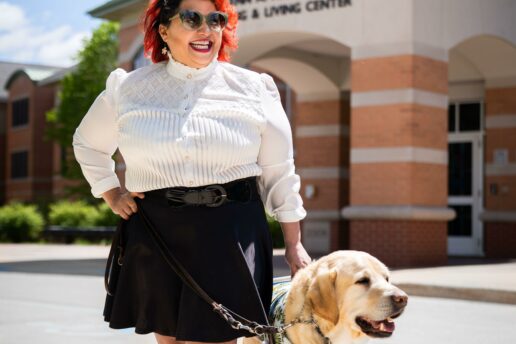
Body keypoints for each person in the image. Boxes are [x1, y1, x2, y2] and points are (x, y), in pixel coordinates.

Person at [72, 0, 311, 343]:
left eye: (216, 19)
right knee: (168, 339)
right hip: (156, 229)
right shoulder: (127, 88)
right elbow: (87, 143)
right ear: (164, 30)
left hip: (230, 231)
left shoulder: (254, 88)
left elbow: (279, 169)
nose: (206, 28)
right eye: (191, 18)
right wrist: (111, 191)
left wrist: (293, 243)